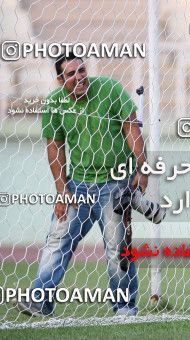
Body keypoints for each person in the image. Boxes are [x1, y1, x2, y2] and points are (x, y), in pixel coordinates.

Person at [16, 52, 148, 316]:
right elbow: (55, 147)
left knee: (117, 249)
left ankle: (124, 308)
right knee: (58, 242)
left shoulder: (109, 89)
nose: (79, 77)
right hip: (77, 187)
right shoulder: (54, 103)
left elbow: (131, 127)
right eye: (71, 73)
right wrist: (61, 190)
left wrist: (143, 167)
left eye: (82, 70)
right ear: (59, 80)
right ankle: (39, 301)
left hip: (115, 184)